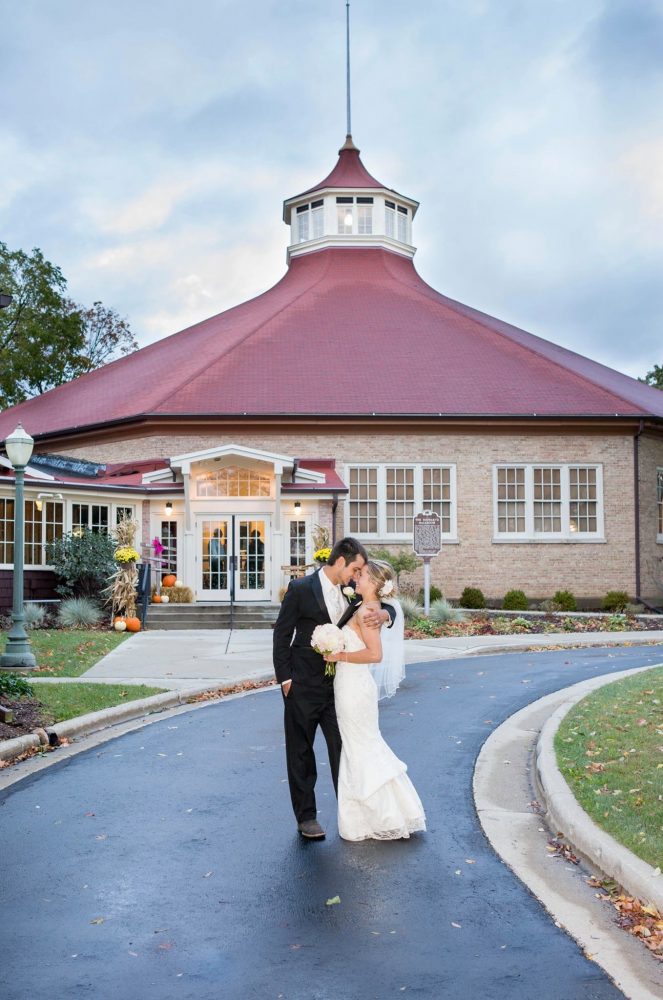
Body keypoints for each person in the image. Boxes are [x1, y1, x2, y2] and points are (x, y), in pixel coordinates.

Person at [273, 537, 396, 839]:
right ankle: (306, 818)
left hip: (340, 688)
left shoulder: (352, 591)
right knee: (301, 753)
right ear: (340, 561)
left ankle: (353, 810)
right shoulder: (301, 589)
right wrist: (286, 680)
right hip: (301, 685)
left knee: (345, 751)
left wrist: (386, 614)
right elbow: (282, 635)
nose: (357, 576)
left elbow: (384, 603)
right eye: (355, 569)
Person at [326, 560, 426, 841]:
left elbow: (374, 654)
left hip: (355, 686)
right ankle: (375, 814)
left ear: (375, 584)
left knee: (361, 746)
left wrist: (338, 655)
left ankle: (382, 815)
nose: (357, 577)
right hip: (348, 684)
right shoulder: (361, 606)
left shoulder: (370, 611)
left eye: (363, 575)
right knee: (358, 745)